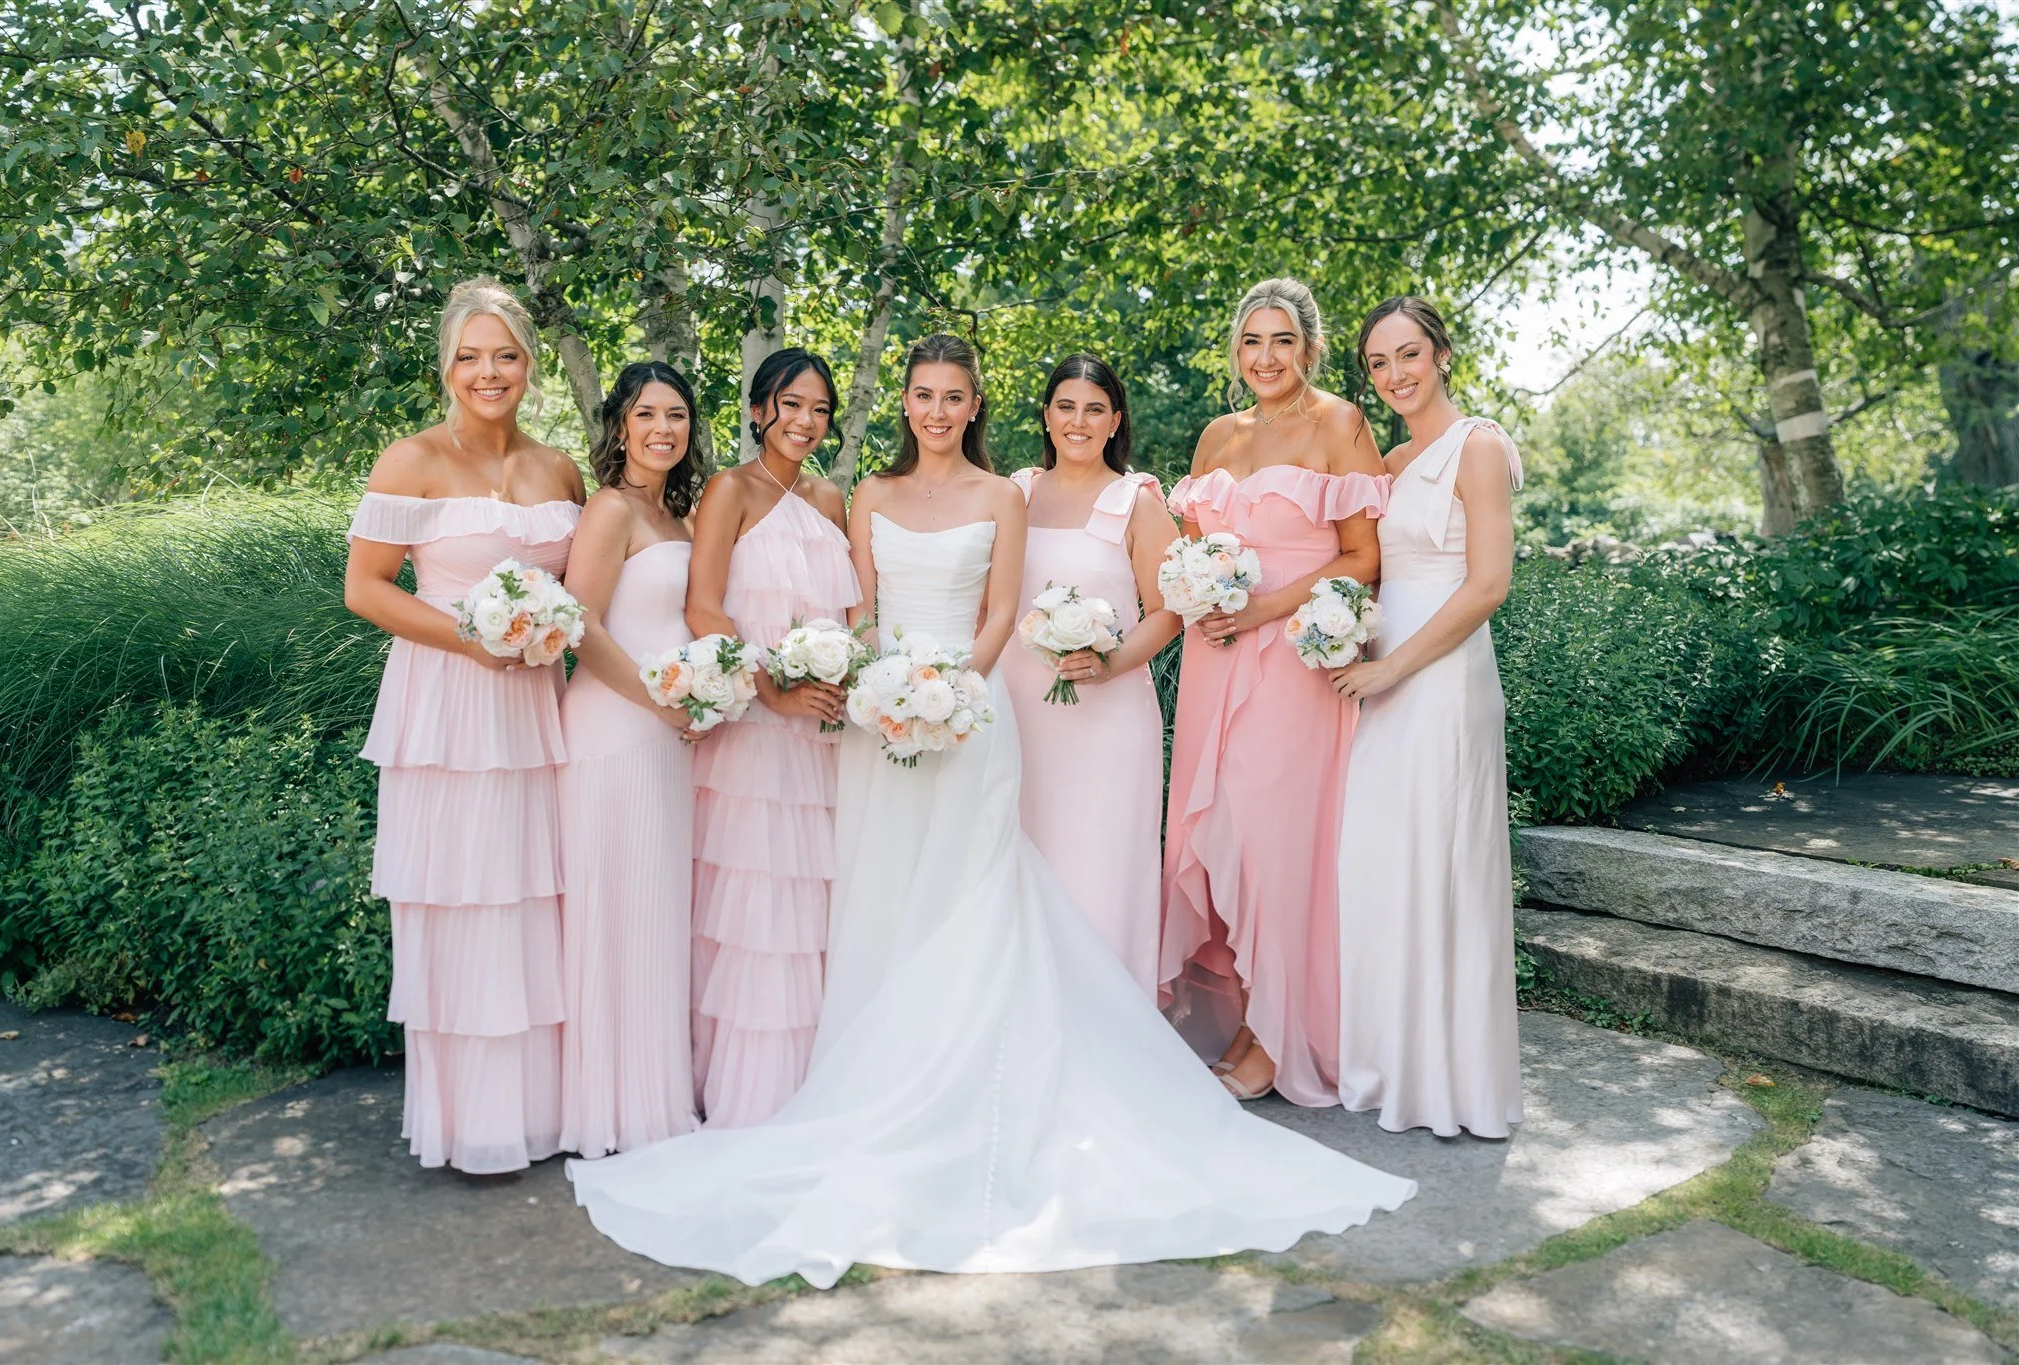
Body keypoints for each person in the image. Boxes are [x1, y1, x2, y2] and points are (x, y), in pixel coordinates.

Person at [566, 333, 1416, 1289]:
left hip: (971, 718)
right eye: (922, 395)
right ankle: (875, 1085)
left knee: (978, 903)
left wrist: (949, 695)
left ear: (976, 406)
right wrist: (884, 688)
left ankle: (990, 1092)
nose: (937, 410)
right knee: (883, 903)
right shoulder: (869, 499)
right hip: (878, 724)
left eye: (954, 396)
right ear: (905, 405)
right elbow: (861, 613)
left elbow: (1002, 612)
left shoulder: (1002, 496)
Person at [342, 277, 585, 1173]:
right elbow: (365, 589)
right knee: (465, 899)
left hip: (535, 707)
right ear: (446, 364)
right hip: (446, 705)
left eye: (507, 356)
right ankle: (472, 1125)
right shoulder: (411, 461)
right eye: (471, 356)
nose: (490, 373)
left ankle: (545, 1110)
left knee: (535, 897)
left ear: (529, 364)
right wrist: (474, 639)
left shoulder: (559, 469)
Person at [1161, 277, 1388, 1104]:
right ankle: (1226, 1014)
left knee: (1271, 841)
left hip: (1293, 657)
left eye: (1282, 341)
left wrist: (1261, 606)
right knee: (1213, 827)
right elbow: (1192, 549)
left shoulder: (1339, 425)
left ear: (1309, 347)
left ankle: (1279, 1034)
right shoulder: (1216, 435)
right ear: (1236, 350)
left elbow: (1363, 558)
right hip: (1214, 657)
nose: (1266, 357)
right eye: (1252, 341)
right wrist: (1199, 592)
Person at [1332, 296, 1524, 1138]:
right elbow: (1379, 569)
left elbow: (1487, 584)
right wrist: (1340, 631)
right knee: (1385, 862)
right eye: (1378, 363)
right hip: (1385, 667)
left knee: (1442, 864)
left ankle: (1453, 1083)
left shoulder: (1476, 446)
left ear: (1442, 353)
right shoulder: (1397, 456)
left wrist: (1395, 668)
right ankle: (1395, 1066)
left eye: (1408, 354)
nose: (1395, 374)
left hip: (1441, 679)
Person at [683, 348, 857, 1127]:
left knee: (815, 909)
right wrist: (771, 688)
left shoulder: (832, 498)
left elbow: (850, 615)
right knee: (755, 907)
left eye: (819, 409)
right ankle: (751, 1098)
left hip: (823, 738)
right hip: (754, 733)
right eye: (791, 404)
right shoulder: (731, 490)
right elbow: (704, 607)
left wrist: (848, 680)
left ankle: (815, 1082)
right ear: (759, 410)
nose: (805, 421)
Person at [557, 361, 711, 1157]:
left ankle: (655, 1095)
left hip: (671, 735)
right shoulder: (611, 510)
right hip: (614, 731)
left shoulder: (683, 517)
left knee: (656, 912)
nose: (663, 429)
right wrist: (660, 700)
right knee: (614, 910)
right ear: (620, 425)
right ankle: (607, 1104)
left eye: (677, 415)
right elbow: (581, 625)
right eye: (647, 414)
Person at [1000, 354, 1178, 989]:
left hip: (1108, 719)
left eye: (1094, 409)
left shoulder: (1138, 502)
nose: (1078, 421)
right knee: (1024, 855)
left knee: (1100, 863)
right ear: (1046, 417)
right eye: (1066, 407)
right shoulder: (1012, 492)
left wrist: (1110, 662)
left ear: (1115, 421)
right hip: (1017, 714)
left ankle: (1111, 1017)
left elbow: (1167, 611)